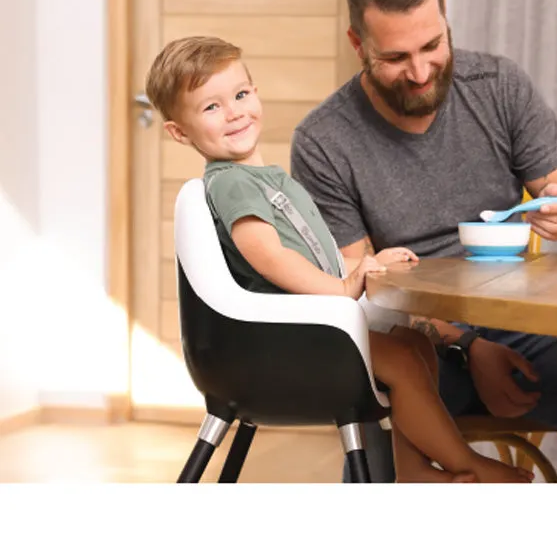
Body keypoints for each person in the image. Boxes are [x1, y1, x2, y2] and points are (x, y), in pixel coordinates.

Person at [290, 0, 557, 483]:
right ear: (358, 43)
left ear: (446, 18)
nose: (420, 72)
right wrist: (471, 345)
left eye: (432, 45)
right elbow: (362, 290)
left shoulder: (499, 87)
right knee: (371, 422)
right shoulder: (324, 141)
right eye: (395, 57)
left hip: (527, 324)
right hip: (415, 346)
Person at [144, 35, 533, 483]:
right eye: (211, 107)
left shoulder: (261, 179)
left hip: (305, 332)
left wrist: (357, 268)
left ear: (255, 93)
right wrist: (345, 289)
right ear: (179, 131)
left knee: (415, 346)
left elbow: (310, 257)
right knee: (404, 361)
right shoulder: (232, 184)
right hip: (287, 345)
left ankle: (412, 469)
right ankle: (467, 464)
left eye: (240, 94)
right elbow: (270, 259)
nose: (234, 112)